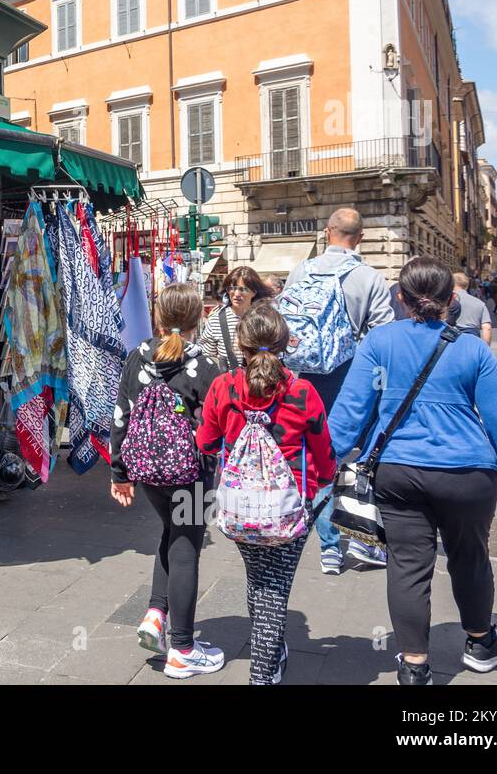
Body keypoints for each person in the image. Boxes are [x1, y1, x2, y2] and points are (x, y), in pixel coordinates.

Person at [328, 258, 497, 685]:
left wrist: (316, 472)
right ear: (453, 299)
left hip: (398, 471)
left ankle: (414, 666)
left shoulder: (378, 343)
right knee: (470, 558)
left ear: (400, 298)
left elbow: (348, 417)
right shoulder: (472, 349)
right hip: (467, 474)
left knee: (407, 565)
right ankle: (482, 643)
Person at [196, 303, 336, 685]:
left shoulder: (223, 387)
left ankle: (271, 650)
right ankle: (263, 672)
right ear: (284, 343)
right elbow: (323, 452)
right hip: (291, 507)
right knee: (274, 586)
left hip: (240, 506)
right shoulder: (301, 391)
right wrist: (325, 478)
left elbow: (206, 442)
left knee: (258, 579)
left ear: (240, 344)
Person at [110, 283, 224, 679]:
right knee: (186, 547)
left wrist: (119, 474)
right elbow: (215, 429)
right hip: (191, 475)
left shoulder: (136, 358)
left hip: (147, 473)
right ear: (199, 320)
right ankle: (183, 649)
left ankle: (156, 616)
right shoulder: (206, 368)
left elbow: (121, 417)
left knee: (171, 535)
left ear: (158, 317)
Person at [283, 208, 394, 574]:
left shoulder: (302, 270)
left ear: (327, 232)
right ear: (359, 238)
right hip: (350, 377)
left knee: (316, 460)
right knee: (357, 458)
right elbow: (382, 335)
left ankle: (329, 544)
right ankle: (364, 538)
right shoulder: (370, 278)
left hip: (302, 377)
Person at [200, 266, 272, 372]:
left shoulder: (265, 320)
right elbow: (207, 359)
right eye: (232, 288)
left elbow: (274, 353)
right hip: (228, 383)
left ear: (254, 292)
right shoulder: (216, 321)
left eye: (243, 289)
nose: (237, 294)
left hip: (259, 381)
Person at [452, 273, 493, 345]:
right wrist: (485, 348)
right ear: (467, 285)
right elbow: (487, 328)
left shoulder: (445, 301)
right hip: (473, 340)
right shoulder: (479, 303)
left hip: (451, 339)